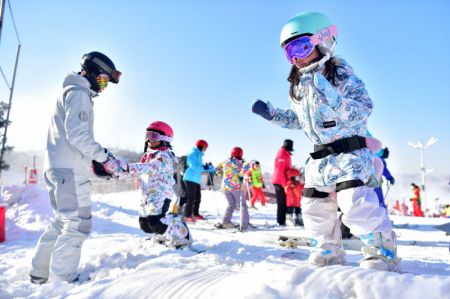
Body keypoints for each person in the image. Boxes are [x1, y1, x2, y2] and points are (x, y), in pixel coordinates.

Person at [252, 12, 399, 271]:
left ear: (323, 41)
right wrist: (274, 115)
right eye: (289, 52)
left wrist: (334, 99)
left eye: (301, 47)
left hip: (349, 152)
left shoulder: (339, 71)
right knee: (314, 205)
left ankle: (382, 251)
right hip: (320, 158)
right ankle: (328, 250)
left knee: (355, 202)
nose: (295, 57)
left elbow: (363, 108)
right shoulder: (298, 84)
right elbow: (300, 120)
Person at [30, 52, 127, 284]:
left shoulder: (69, 91)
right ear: (90, 72)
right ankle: (63, 280)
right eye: (103, 81)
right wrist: (104, 157)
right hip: (69, 171)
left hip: (57, 167)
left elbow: (69, 137)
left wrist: (92, 162)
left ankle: (40, 273)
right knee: (77, 224)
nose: (103, 88)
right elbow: (78, 136)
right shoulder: (79, 93)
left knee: (62, 221)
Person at [129, 121, 192, 248]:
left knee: (155, 222)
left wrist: (126, 167)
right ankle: (163, 235)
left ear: (165, 139)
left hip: (161, 194)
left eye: (153, 136)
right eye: (147, 135)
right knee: (145, 225)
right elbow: (140, 171)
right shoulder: (148, 155)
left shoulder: (164, 156)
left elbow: (149, 167)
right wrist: (113, 171)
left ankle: (182, 235)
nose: (148, 140)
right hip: (148, 195)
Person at [214, 147, 251, 230]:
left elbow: (216, 168)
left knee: (231, 205)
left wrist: (220, 174)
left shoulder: (225, 161)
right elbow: (247, 166)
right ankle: (244, 224)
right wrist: (241, 174)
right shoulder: (241, 162)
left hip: (225, 187)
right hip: (236, 187)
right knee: (243, 205)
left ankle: (226, 221)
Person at [183, 139, 209, 222]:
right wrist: (203, 167)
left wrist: (208, 167)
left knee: (198, 198)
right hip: (190, 178)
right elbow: (193, 166)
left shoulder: (199, 155)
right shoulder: (193, 153)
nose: (206, 149)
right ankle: (187, 216)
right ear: (201, 146)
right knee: (191, 197)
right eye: (205, 147)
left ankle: (195, 214)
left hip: (196, 179)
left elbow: (199, 167)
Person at [271, 139, 294, 226]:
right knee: (281, 202)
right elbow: (280, 171)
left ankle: (283, 220)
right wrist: (284, 183)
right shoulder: (281, 155)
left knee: (284, 201)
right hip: (279, 181)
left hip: (283, 181)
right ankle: (280, 221)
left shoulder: (286, 154)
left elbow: (287, 170)